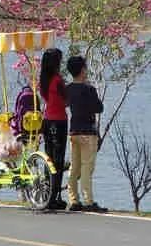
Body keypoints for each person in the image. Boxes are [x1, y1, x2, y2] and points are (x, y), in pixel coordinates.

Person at [65, 55, 107, 213]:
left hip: (73, 131)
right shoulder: (89, 89)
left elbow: (66, 104)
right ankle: (88, 201)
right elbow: (99, 108)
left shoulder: (68, 89)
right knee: (86, 168)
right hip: (88, 132)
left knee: (74, 168)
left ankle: (73, 200)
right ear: (82, 70)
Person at [39, 48, 67, 210]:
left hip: (47, 121)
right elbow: (66, 100)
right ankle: (54, 197)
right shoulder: (57, 80)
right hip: (59, 121)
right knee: (58, 160)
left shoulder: (43, 79)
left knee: (48, 158)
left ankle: (46, 194)